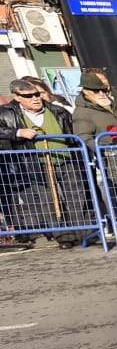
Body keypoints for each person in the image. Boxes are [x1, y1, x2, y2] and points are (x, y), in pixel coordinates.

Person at [0, 79, 85, 248]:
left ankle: (83, 233)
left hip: (66, 160)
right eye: (29, 96)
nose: (35, 98)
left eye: (37, 94)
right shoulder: (5, 113)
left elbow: (72, 132)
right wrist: (17, 132)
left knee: (76, 197)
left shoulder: (57, 110)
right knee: (48, 201)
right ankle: (64, 237)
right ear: (16, 97)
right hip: (34, 163)